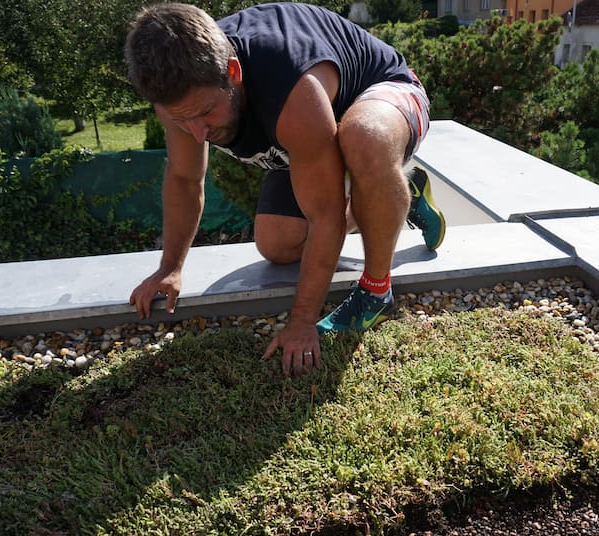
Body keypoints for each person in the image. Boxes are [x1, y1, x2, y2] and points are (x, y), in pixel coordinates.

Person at [124, 2, 445, 377]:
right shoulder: (183, 93)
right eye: (182, 120)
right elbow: (184, 178)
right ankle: (398, 196)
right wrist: (169, 267)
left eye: (206, 112)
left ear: (233, 72)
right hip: (312, 136)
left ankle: (376, 289)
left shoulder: (289, 84)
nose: (199, 134)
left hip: (388, 94)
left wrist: (302, 321)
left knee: (363, 138)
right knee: (278, 244)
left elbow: (325, 214)